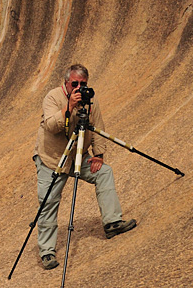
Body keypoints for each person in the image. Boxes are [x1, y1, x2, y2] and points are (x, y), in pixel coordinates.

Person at [33, 64, 136, 270]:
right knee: (48, 202)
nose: (79, 88)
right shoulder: (53, 97)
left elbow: (97, 126)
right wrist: (69, 107)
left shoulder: (90, 99)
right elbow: (52, 126)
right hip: (52, 159)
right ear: (66, 83)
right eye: (75, 84)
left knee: (104, 172)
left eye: (83, 84)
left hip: (78, 154)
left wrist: (99, 155)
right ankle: (47, 252)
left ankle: (112, 223)